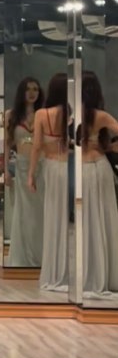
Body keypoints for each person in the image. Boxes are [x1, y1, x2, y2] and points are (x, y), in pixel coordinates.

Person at [29, 72, 70, 291]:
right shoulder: (70, 113)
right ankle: (65, 268)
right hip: (70, 167)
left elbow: (36, 147)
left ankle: (54, 269)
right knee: (67, 218)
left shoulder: (42, 114)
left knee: (53, 216)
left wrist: (31, 173)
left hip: (52, 168)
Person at [78, 71, 118, 297]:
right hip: (93, 168)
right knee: (99, 218)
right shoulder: (94, 115)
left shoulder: (92, 116)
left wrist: (110, 147)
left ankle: (96, 272)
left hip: (92, 169)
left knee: (94, 218)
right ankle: (100, 271)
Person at [4, 77, 44, 267]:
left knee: (39, 212)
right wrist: (5, 170)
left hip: (41, 166)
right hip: (20, 166)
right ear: (22, 91)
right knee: (23, 211)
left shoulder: (42, 115)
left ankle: (39, 255)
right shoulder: (11, 115)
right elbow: (7, 144)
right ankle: (23, 256)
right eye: (28, 89)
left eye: (35, 89)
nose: (32, 93)